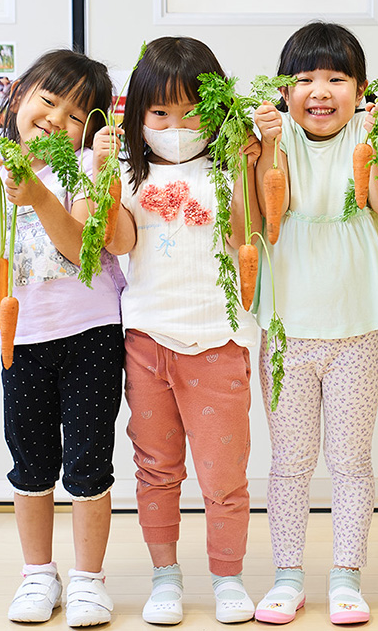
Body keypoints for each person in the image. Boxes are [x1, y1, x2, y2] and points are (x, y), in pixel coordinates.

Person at [0, 49, 125, 627]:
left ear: (91, 126)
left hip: (93, 335)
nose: (56, 119)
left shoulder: (89, 170)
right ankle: (37, 575)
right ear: (19, 95)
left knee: (89, 466)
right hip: (19, 341)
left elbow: (85, 251)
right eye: (48, 101)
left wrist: (42, 198)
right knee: (31, 464)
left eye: (77, 114)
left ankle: (90, 581)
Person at [252, 21, 378, 625]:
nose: (320, 91)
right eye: (305, 79)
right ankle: (288, 575)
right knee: (289, 462)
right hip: (286, 333)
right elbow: (271, 215)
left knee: (351, 460)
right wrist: (266, 145)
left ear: (361, 87)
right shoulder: (276, 137)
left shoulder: (369, 135)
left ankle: (347, 575)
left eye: (336, 79)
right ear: (284, 91)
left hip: (354, 332)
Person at [105, 36, 261, 625]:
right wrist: (102, 179)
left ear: (215, 111)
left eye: (193, 111)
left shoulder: (226, 165)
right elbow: (120, 243)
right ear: (137, 115)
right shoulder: (128, 172)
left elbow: (246, 239)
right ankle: (164, 576)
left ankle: (228, 576)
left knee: (224, 477)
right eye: (160, 114)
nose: (176, 126)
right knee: (157, 470)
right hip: (147, 343)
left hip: (219, 341)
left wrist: (249, 164)